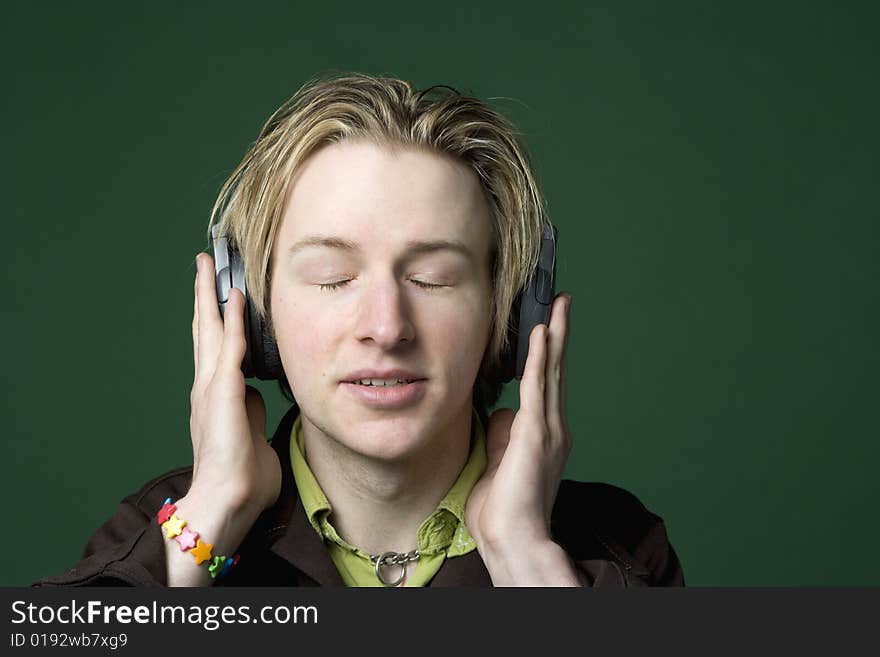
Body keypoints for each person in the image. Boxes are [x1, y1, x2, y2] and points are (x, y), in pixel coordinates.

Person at [35, 72, 684, 587]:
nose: (385, 326)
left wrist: (524, 558)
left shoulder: (619, 553)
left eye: (431, 277)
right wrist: (211, 521)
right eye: (331, 275)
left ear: (511, 313)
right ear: (252, 316)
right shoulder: (163, 533)